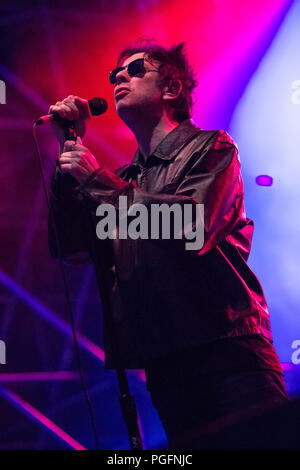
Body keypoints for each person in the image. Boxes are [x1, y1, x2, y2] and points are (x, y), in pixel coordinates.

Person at [48, 41, 288, 449]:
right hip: (166, 365)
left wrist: (94, 182)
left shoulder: (212, 149)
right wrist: (67, 157)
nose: (119, 76)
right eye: (114, 74)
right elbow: (69, 247)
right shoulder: (124, 181)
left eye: (136, 68)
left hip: (230, 356)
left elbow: (190, 227)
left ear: (173, 88)